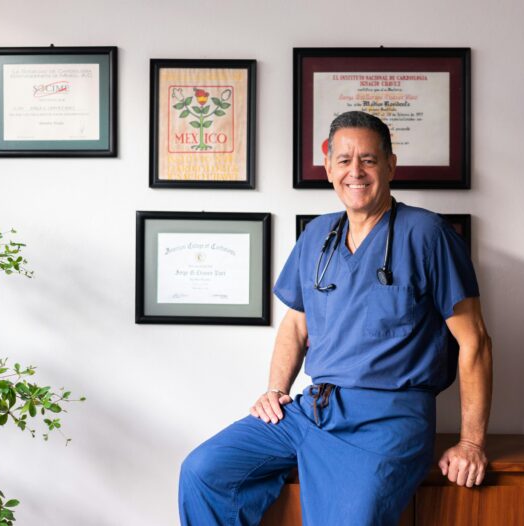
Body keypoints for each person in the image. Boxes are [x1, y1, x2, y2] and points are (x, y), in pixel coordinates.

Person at [178, 111, 493, 525]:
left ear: (391, 166)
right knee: (204, 472)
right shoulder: (317, 236)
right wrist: (276, 390)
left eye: (368, 159)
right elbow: (295, 324)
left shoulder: (427, 234)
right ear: (328, 169)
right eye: (344, 160)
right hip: (313, 410)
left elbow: (475, 342)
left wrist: (471, 442)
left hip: (388, 420)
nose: (355, 172)